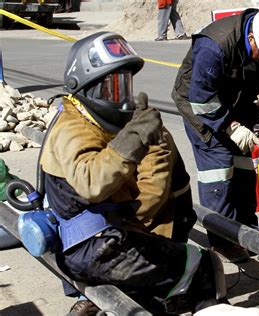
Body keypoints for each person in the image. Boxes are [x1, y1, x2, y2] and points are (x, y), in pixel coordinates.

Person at [40, 31, 227, 315]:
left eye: (125, 86)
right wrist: (136, 137)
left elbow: (151, 182)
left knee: (156, 280)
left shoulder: (87, 120)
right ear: (86, 87)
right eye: (112, 88)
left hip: (93, 242)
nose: (123, 99)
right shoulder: (76, 128)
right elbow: (93, 182)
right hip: (99, 247)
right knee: (201, 265)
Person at [172, 9, 259, 263]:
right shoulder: (214, 46)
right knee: (218, 169)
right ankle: (222, 241)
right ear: (252, 39)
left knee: (243, 168)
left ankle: (246, 231)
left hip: (238, 102)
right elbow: (202, 99)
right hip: (202, 109)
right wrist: (230, 127)